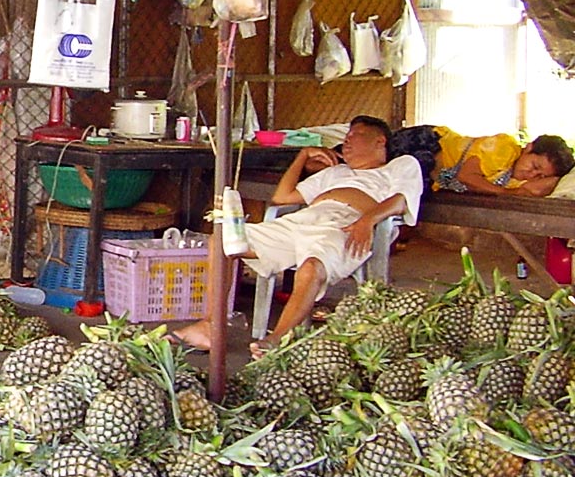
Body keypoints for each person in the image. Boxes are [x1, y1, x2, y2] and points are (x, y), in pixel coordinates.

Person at [172, 115, 423, 358]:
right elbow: (282, 197)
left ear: (380, 141)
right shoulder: (334, 173)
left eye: (356, 135)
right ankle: (210, 325)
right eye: (346, 136)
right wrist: (302, 156)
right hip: (301, 222)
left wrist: (368, 220)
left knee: (311, 269)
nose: (347, 141)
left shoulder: (401, 165)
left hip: (344, 225)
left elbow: (401, 200)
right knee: (223, 239)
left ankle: (276, 338)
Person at [389, 125, 573, 197]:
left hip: (429, 170)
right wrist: (504, 193)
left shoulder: (514, 176)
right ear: (529, 148)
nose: (531, 175)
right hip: (425, 144)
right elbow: (466, 176)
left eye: (539, 175)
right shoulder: (505, 149)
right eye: (535, 166)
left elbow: (540, 188)